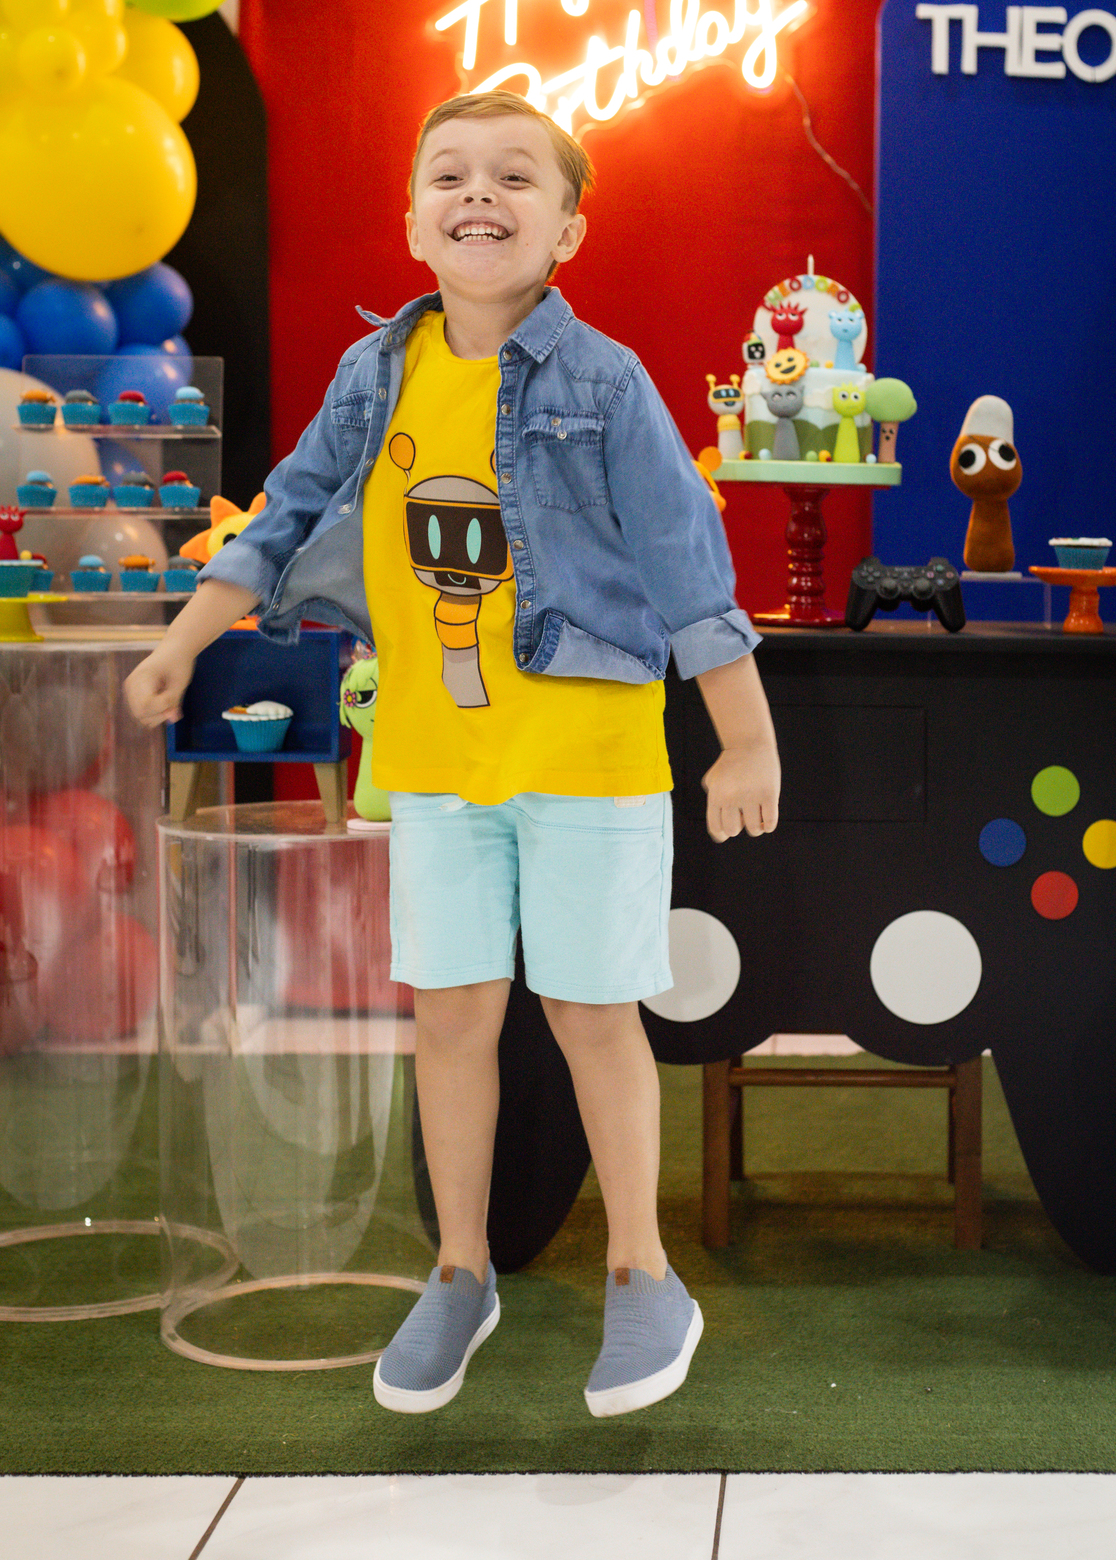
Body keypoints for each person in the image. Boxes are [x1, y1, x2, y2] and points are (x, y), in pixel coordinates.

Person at [125, 90, 781, 1419]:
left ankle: (646, 1277)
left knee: (593, 1013)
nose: (478, 194)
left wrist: (744, 738)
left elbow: (686, 567)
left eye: (514, 178)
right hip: (433, 761)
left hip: (589, 753)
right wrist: (189, 640)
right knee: (451, 1017)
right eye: (450, 176)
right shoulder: (376, 374)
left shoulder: (602, 384)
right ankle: (461, 1269)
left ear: (567, 229)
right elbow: (282, 511)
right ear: (414, 218)